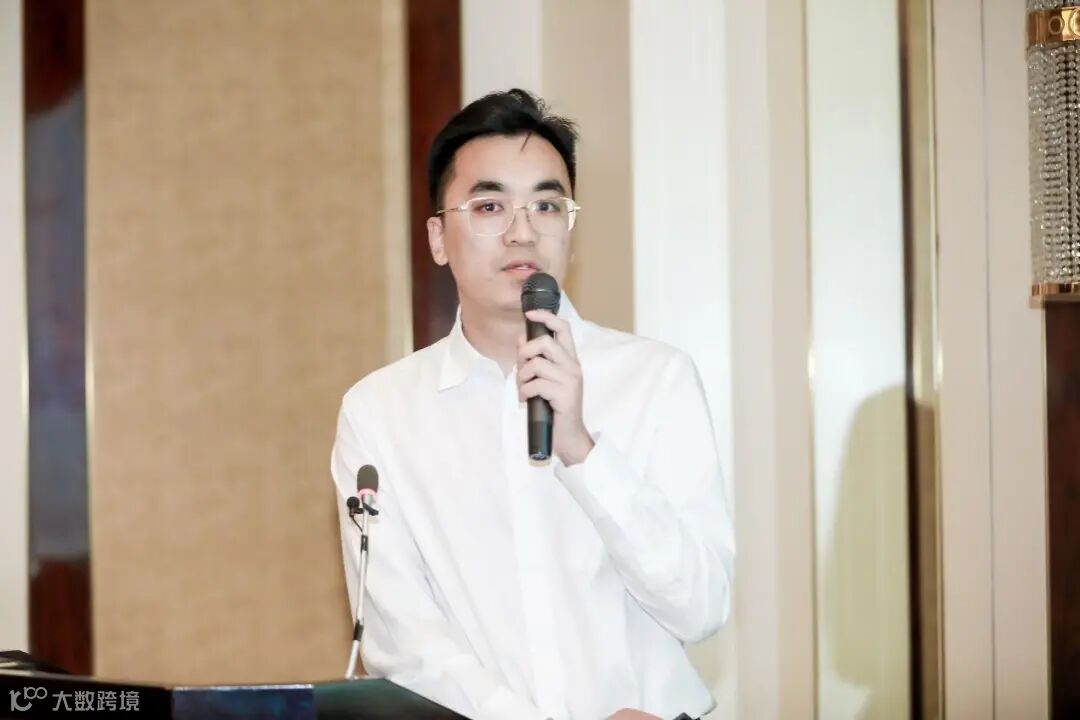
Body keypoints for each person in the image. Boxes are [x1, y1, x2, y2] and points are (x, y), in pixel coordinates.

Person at [331, 89, 734, 720]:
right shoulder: (380, 413)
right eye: (489, 206)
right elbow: (404, 643)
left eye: (546, 205)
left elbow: (701, 607)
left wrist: (582, 450)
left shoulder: (657, 379)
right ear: (438, 238)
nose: (522, 231)